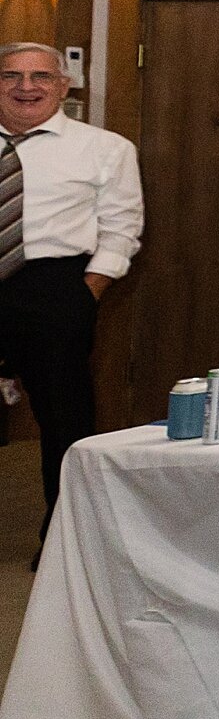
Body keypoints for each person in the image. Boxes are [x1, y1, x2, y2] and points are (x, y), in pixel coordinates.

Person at [0, 41, 143, 568]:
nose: (25, 87)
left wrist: (88, 292)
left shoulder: (105, 148)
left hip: (54, 287)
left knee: (64, 419)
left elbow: (122, 228)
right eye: (10, 75)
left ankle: (62, 541)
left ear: (64, 85)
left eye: (40, 75)